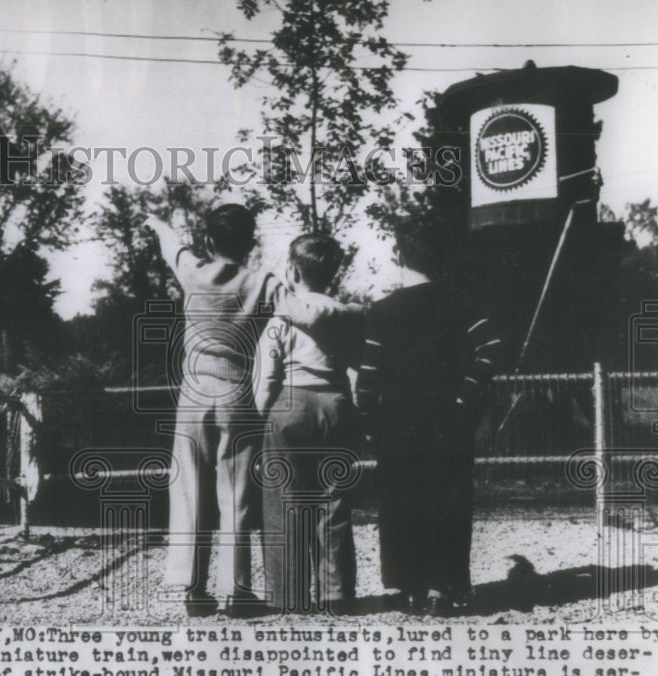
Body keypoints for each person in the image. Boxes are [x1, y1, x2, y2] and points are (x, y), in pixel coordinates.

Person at [147, 205, 349, 618]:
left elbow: (171, 245)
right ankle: (236, 591)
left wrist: (156, 223)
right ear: (250, 243)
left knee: (189, 493)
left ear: (208, 241)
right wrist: (352, 311)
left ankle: (193, 589)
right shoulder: (263, 282)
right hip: (236, 395)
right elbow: (308, 312)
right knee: (235, 498)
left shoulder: (191, 271)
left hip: (193, 396)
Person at [355, 227, 499, 616]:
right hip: (450, 419)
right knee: (449, 499)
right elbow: (491, 351)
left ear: (399, 257)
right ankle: (442, 586)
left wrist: (367, 418)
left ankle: (405, 587)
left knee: (401, 501)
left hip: (397, 421)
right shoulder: (462, 302)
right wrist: (464, 396)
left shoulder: (382, 311)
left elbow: (368, 375)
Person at [253, 234, 362, 615]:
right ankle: (336, 593)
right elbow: (357, 367)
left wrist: (259, 420)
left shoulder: (282, 319)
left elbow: (267, 378)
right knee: (335, 500)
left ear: (293, 269)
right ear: (332, 274)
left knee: (285, 499)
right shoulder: (347, 314)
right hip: (336, 404)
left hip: (290, 406)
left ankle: (291, 595)